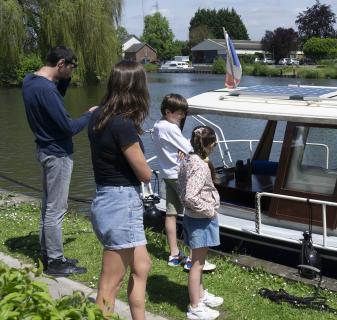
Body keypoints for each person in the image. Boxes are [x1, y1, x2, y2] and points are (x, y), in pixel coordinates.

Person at [22, 45, 97, 276]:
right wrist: (90, 114)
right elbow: (68, 127)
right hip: (58, 155)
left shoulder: (30, 82)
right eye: (71, 68)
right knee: (57, 209)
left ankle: (48, 253)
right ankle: (55, 262)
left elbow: (54, 103)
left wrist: (63, 79)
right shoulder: (47, 90)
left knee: (48, 207)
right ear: (60, 64)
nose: (72, 72)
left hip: (44, 150)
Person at [88, 60, 152, 319]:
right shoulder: (122, 124)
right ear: (136, 89)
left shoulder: (98, 116)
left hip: (107, 198)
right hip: (121, 204)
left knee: (142, 266)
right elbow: (144, 173)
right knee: (109, 283)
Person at [151, 94, 215, 271]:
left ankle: (174, 254)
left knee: (171, 213)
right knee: (192, 213)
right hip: (179, 175)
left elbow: (177, 147)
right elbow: (190, 149)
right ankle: (193, 258)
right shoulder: (170, 128)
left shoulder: (158, 125)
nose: (181, 117)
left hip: (167, 174)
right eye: (179, 114)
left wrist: (181, 148)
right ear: (167, 111)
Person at [178, 126, 224, 320]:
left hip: (192, 217)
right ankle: (195, 307)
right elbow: (190, 196)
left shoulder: (186, 159)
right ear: (210, 145)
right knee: (196, 264)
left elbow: (182, 189)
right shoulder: (200, 165)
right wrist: (210, 210)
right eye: (214, 144)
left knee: (199, 261)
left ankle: (201, 295)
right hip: (200, 219)